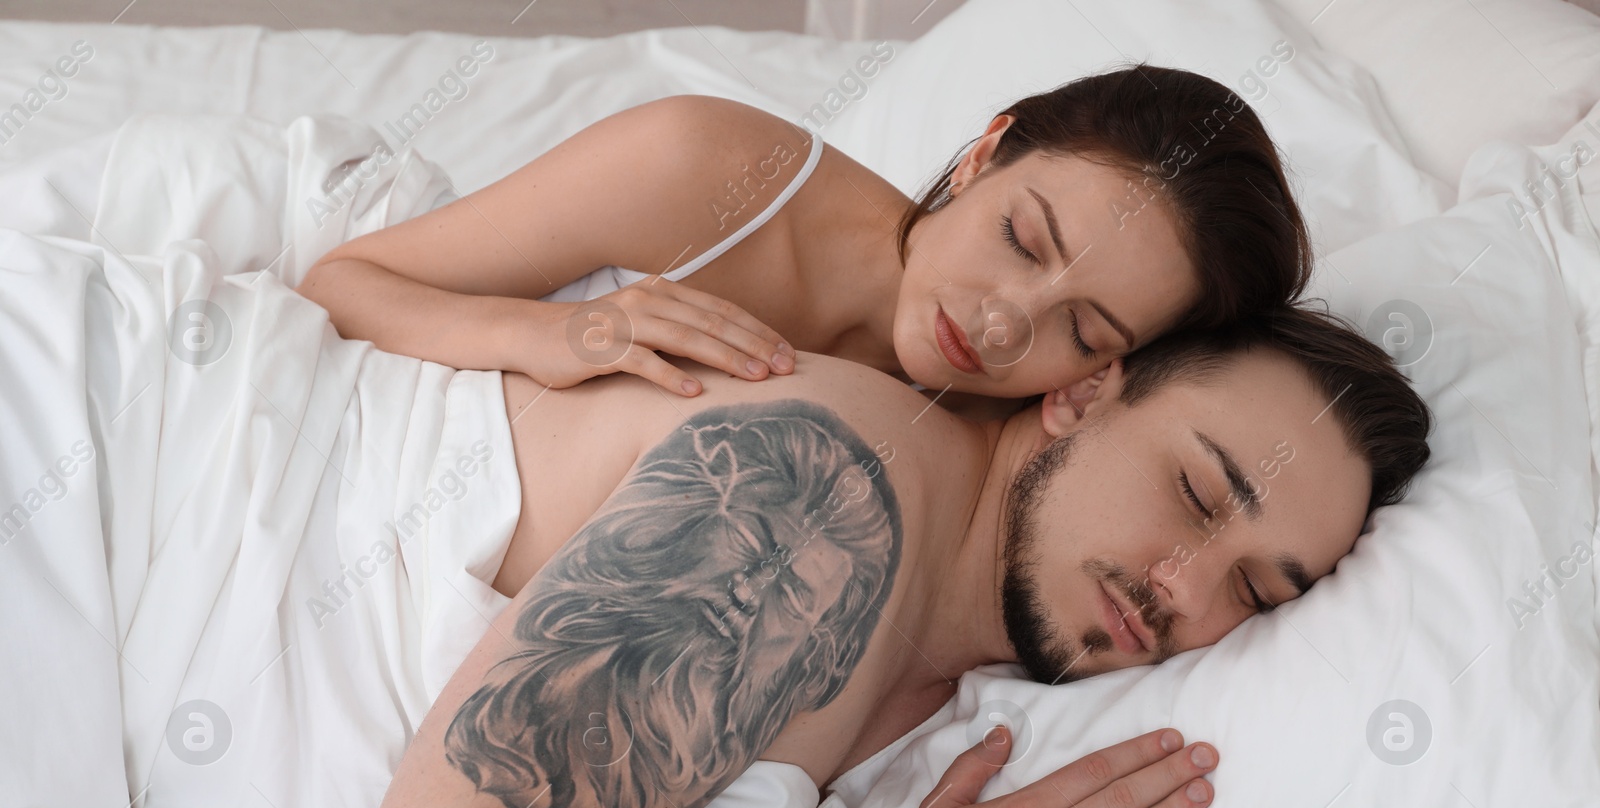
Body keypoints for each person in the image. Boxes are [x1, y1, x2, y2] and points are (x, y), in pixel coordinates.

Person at [337, 305, 1431, 808]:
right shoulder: (820, 496)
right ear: (1086, 392)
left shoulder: (964, 682)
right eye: (1194, 494)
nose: (1184, 588)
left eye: (1254, 590)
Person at [294, 65, 1310, 418]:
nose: (1005, 323)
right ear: (984, 156)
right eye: (1020, 238)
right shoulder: (699, 169)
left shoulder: (1007, 420)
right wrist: (567, 336)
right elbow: (339, 284)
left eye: (1084, 330)